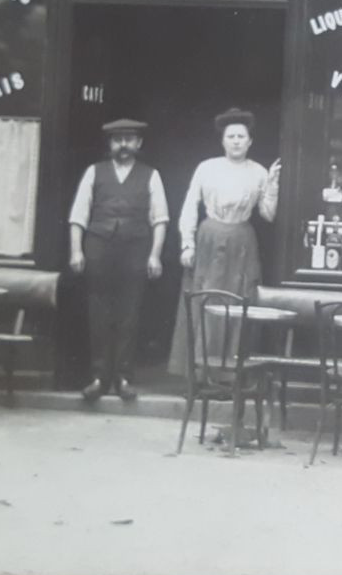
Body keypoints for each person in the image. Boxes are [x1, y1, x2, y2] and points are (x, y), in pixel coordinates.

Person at [168, 108, 281, 379]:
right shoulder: (207, 168)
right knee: (204, 300)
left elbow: (268, 214)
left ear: (250, 141)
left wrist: (274, 184)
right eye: (231, 136)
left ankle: (229, 376)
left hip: (242, 242)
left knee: (238, 303)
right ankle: (198, 373)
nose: (236, 141)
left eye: (242, 136)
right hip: (209, 240)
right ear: (223, 141)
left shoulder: (258, 172)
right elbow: (189, 206)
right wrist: (187, 243)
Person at [68, 118, 169, 403]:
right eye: (117, 140)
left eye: (129, 139)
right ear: (110, 144)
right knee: (98, 314)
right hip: (98, 247)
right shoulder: (94, 172)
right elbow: (78, 215)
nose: (123, 145)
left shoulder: (151, 175)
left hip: (135, 249)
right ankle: (99, 378)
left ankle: (124, 378)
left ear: (139, 144)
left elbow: (160, 219)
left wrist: (155, 255)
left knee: (129, 314)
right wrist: (76, 251)